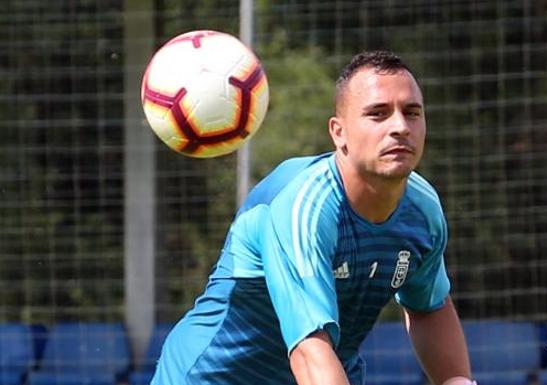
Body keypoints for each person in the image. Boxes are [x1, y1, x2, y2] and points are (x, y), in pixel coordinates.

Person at [151, 50, 474, 385]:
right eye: (378, 114)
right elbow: (310, 348)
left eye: (412, 113)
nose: (400, 127)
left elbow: (429, 307)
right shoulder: (304, 207)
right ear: (339, 133)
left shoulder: (422, 209)